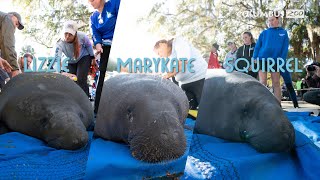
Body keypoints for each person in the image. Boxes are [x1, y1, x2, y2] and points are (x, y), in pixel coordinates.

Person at [153, 37, 208, 110]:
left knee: (206, 108)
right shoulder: (169, 59)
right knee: (189, 110)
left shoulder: (178, 42)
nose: (159, 56)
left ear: (161, 44)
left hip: (199, 80)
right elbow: (172, 73)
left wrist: (167, 75)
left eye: (158, 52)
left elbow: (183, 62)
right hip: (185, 85)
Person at [88, 0, 121, 114]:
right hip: (105, 48)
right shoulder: (93, 17)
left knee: (122, 74)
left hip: (120, 44)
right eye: (89, 1)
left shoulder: (115, 3)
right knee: (102, 76)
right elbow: (95, 32)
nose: (91, 2)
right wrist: (97, 44)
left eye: (93, 0)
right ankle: (97, 109)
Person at [54, 20, 97, 97]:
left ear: (75, 34)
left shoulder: (82, 36)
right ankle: (75, 99)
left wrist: (92, 58)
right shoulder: (59, 43)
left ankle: (86, 99)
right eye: (66, 33)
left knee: (80, 79)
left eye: (70, 34)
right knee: (72, 80)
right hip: (70, 61)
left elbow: (88, 46)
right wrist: (60, 71)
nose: (67, 36)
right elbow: (57, 59)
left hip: (84, 57)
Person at [253, 13, 288, 103]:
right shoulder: (264, 33)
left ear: (277, 20)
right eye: (269, 20)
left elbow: (285, 48)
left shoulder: (283, 33)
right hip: (262, 59)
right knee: (263, 82)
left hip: (276, 60)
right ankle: (260, 104)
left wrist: (282, 60)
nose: (270, 22)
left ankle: (278, 105)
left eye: (272, 20)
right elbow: (258, 46)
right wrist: (254, 57)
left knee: (276, 83)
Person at [0, 11, 25, 77]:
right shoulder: (8, 18)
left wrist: (6, 61)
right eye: (16, 23)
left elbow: (3, 45)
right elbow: (8, 44)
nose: (15, 27)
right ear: (12, 16)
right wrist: (14, 68)